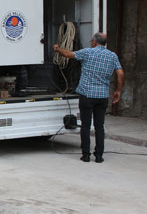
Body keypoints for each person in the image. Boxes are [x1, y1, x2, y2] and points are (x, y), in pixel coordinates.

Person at [53, 32, 124, 163]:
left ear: (95, 42)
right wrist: (118, 90)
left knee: (85, 125)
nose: (91, 42)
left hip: (87, 95)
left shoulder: (88, 52)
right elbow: (120, 73)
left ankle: (86, 155)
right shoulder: (112, 55)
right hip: (102, 96)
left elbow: (68, 54)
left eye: (92, 40)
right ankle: (99, 156)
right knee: (99, 126)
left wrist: (57, 49)